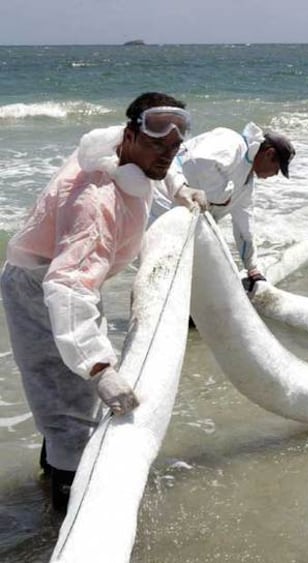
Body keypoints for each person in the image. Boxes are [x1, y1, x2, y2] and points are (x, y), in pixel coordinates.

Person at [0, 92, 207, 512]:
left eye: (175, 146)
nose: (166, 154)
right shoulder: (95, 202)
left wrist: (181, 187)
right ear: (130, 134)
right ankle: (64, 515)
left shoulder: (129, 152)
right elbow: (67, 286)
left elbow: (163, 164)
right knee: (69, 408)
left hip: (68, 276)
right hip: (38, 286)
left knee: (71, 398)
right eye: (156, 143)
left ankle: (51, 471)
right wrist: (98, 367)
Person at [150, 122, 295, 291]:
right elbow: (198, 161)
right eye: (277, 168)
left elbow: (244, 227)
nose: (275, 174)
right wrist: (222, 196)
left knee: (189, 277)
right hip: (160, 203)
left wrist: (252, 268)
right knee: (164, 274)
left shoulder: (246, 183)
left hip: (184, 221)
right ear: (269, 154)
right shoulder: (232, 142)